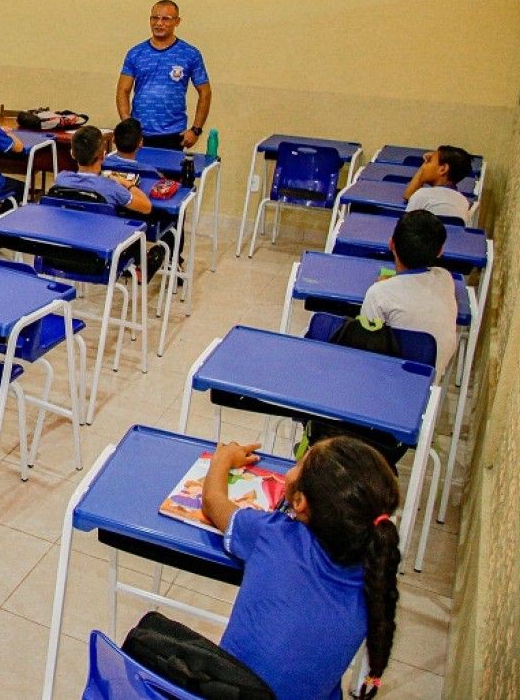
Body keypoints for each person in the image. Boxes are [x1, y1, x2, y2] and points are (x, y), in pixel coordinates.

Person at [203, 437, 401, 700]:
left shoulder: (274, 535)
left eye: (301, 461)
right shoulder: (377, 575)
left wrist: (223, 459)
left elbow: (212, 500)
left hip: (231, 691)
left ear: (300, 503)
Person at [360, 209, 459, 374]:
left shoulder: (378, 294)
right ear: (440, 251)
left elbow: (365, 346)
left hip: (388, 379)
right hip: (430, 381)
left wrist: (385, 284)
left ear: (391, 244)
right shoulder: (445, 278)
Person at [115, 0, 212, 151]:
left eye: (165, 19)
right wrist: (129, 128)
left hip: (173, 135)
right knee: (137, 175)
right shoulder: (135, 53)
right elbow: (122, 90)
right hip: (140, 135)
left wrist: (196, 130)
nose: (159, 23)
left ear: (177, 22)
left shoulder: (190, 54)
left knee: (168, 175)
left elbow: (205, 92)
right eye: (155, 18)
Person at [52, 126, 152, 214]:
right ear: (103, 155)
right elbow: (146, 207)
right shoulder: (112, 187)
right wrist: (127, 183)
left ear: (72, 154)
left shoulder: (61, 179)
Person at [402, 146, 473, 222]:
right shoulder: (463, 201)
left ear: (443, 169)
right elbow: (408, 195)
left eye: (429, 161)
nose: (424, 166)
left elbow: (405, 228)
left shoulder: (422, 195)